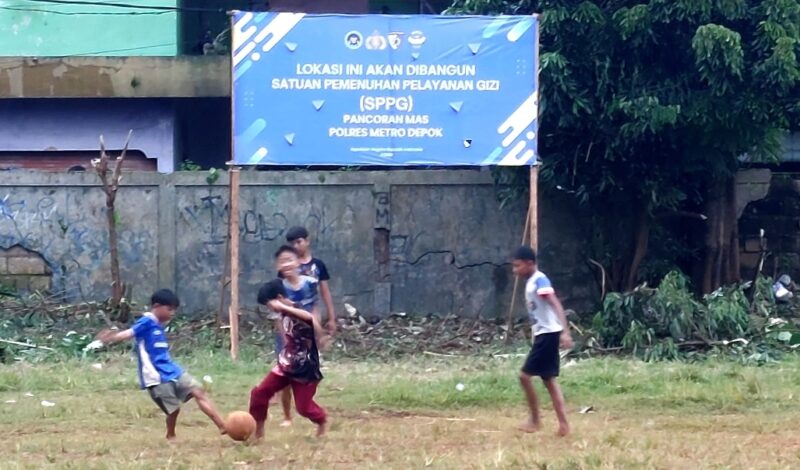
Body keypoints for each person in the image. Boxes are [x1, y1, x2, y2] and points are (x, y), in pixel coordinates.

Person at [95, 289, 226, 441]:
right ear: (157, 306)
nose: (172, 313)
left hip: (172, 370)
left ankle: (222, 425)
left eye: (174, 310)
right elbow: (128, 334)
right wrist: (110, 338)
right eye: (169, 309)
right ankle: (170, 434)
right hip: (156, 376)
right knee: (173, 410)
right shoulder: (146, 321)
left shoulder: (158, 325)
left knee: (198, 391)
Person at [250, 278, 329, 439]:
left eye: (269, 304)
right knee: (259, 393)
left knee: (303, 407)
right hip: (286, 365)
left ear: (279, 298)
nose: (269, 308)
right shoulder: (281, 315)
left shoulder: (296, 310)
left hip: (305, 368)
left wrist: (285, 307)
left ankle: (321, 420)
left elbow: (309, 318)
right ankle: (258, 432)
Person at [511, 246, 574, 437]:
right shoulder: (532, 281)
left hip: (548, 335)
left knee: (524, 376)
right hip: (546, 334)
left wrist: (565, 331)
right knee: (549, 380)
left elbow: (555, 302)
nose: (515, 270)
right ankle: (564, 425)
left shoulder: (539, 280)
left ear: (530, 263)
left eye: (518, 266)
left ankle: (535, 420)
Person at [284, 226, 337, 335]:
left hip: (312, 309)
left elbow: (325, 293)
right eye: (292, 244)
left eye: (299, 242)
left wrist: (332, 319)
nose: (296, 246)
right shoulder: (287, 265)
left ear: (307, 241)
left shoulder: (318, 265)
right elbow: (280, 291)